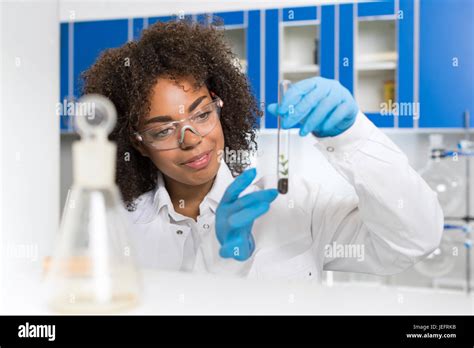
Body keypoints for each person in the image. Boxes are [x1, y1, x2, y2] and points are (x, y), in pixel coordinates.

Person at [82, 20, 443, 281]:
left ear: (221, 108)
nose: (190, 138)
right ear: (138, 145)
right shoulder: (119, 226)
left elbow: (414, 241)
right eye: (163, 129)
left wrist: (353, 135)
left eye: (202, 114)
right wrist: (223, 259)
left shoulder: (293, 201)